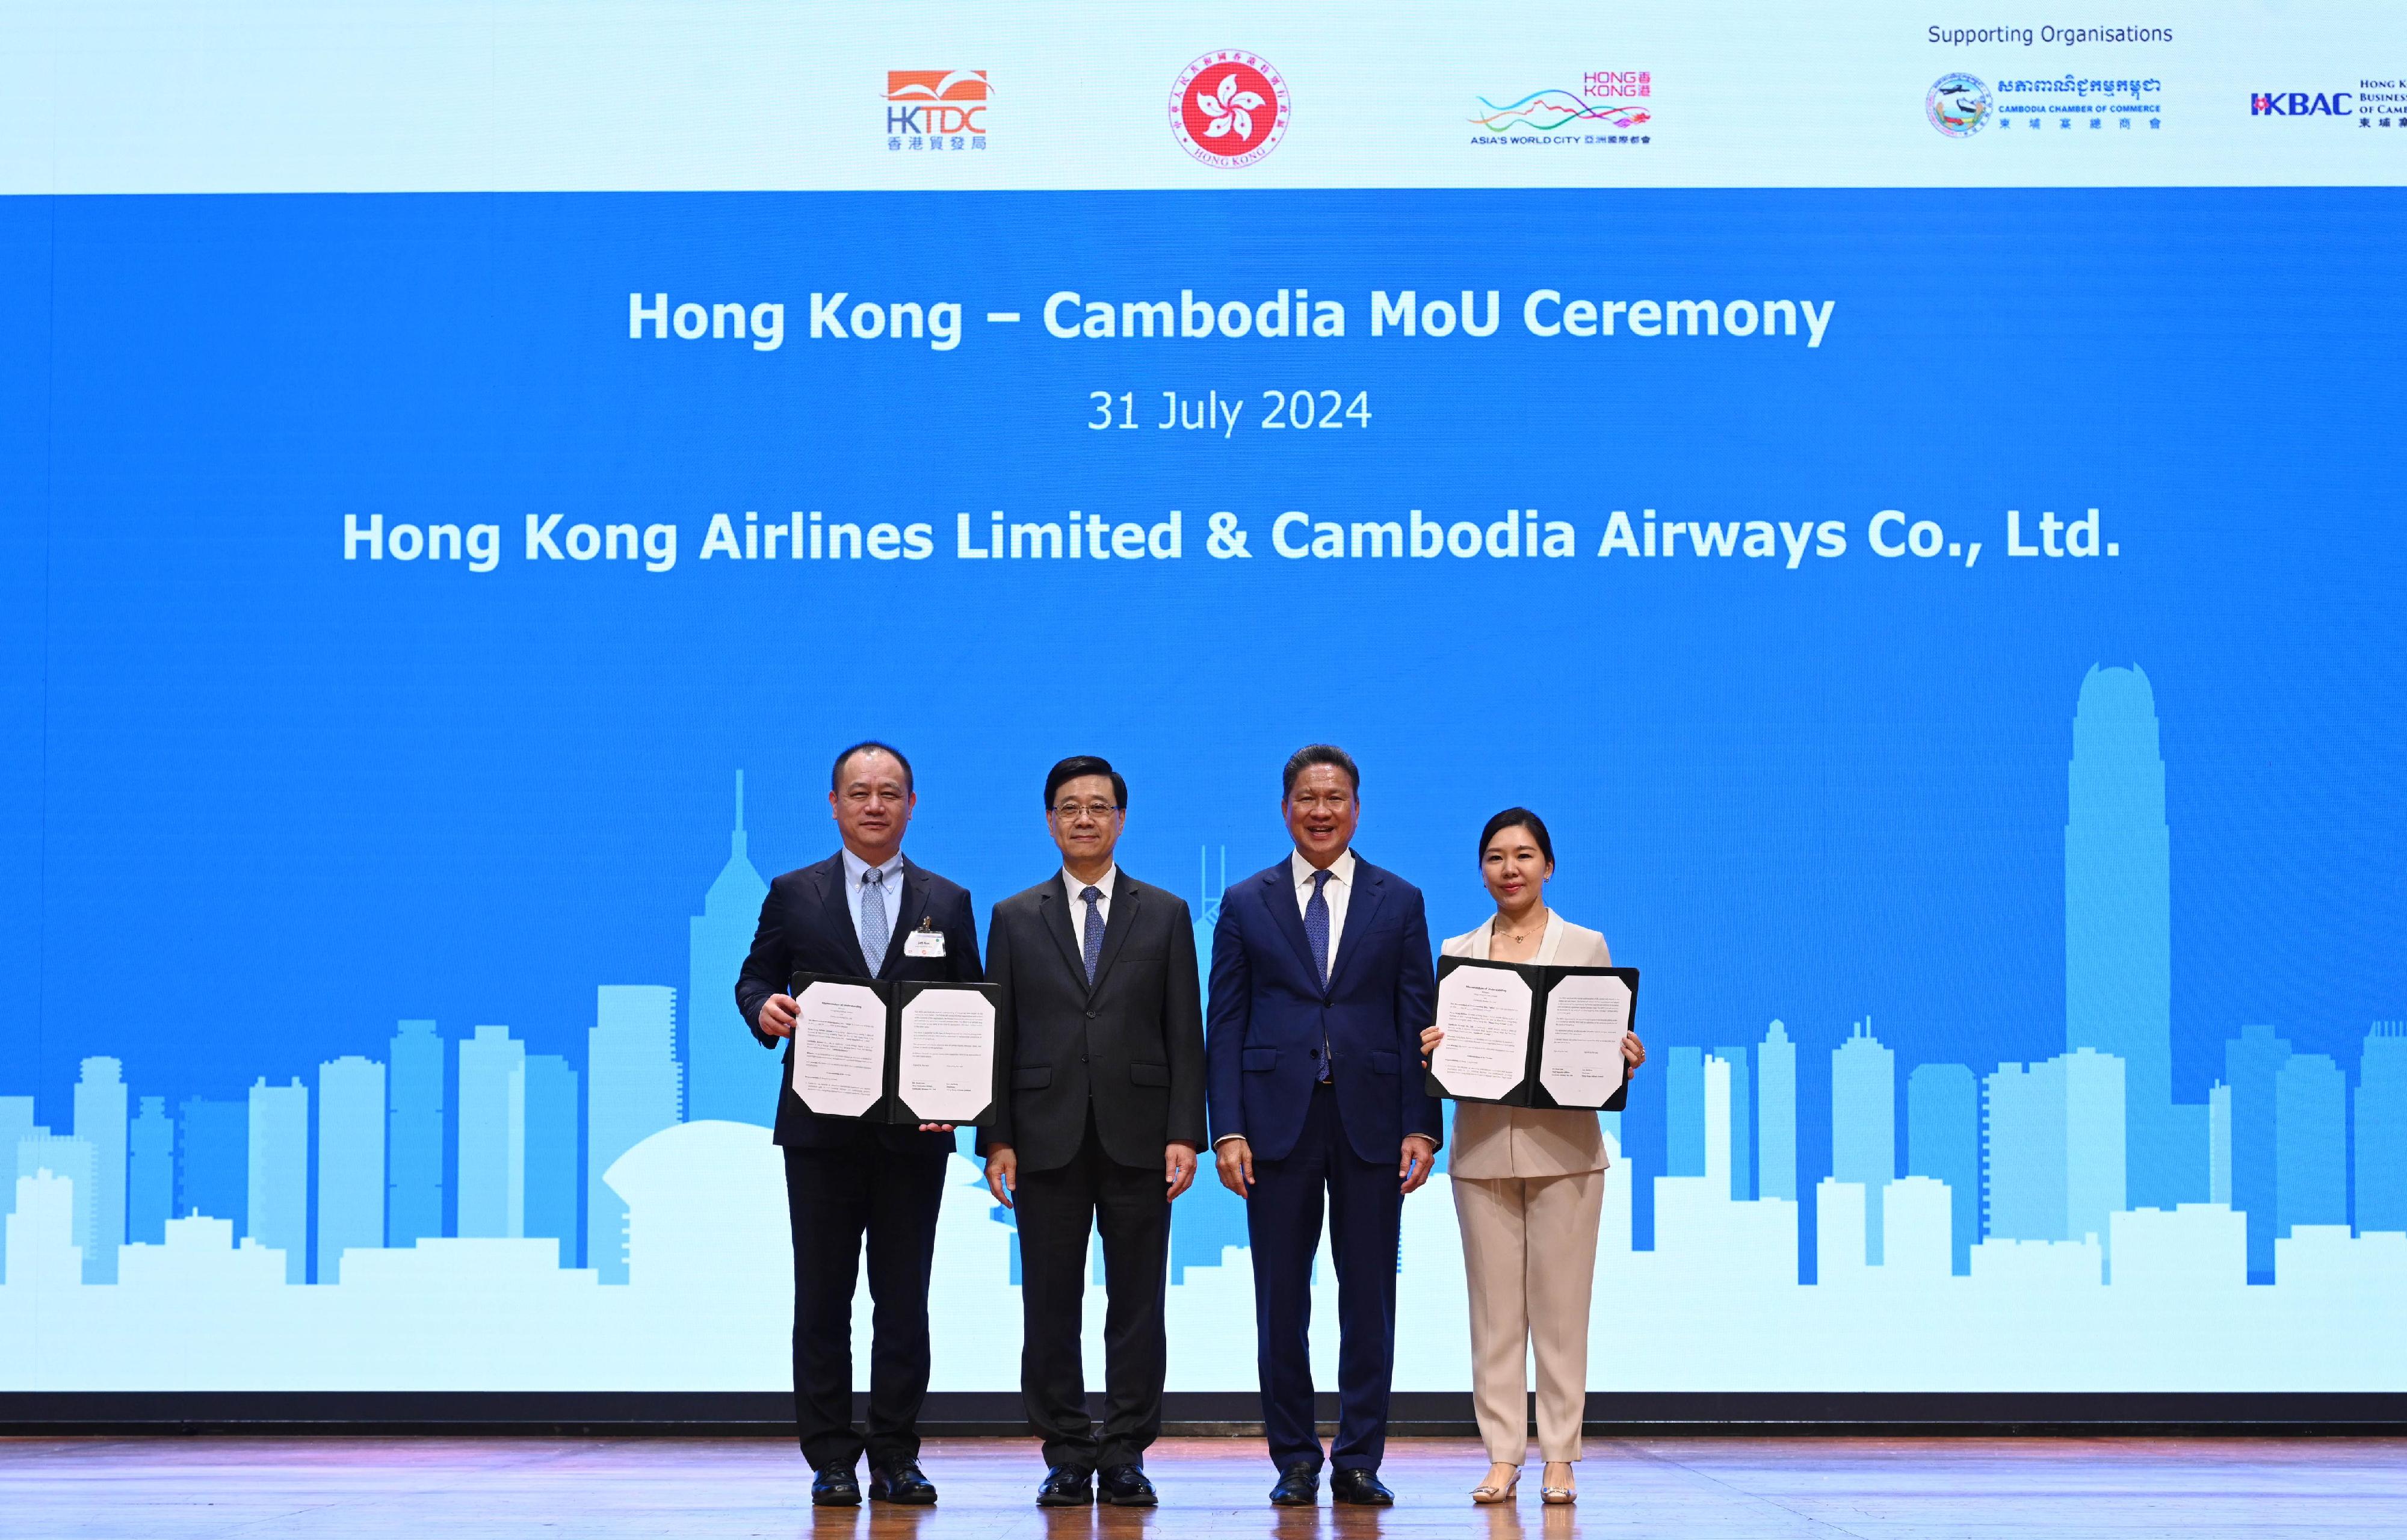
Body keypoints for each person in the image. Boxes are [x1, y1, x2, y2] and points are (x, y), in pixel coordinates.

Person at [734, 741, 982, 1509]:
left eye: (889, 793)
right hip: (820, 1132)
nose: (874, 805)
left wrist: (962, 1092)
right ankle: (831, 1459)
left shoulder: (950, 897)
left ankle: (897, 1456)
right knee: (824, 1297)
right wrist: (762, 1010)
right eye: (859, 792)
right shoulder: (792, 892)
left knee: (903, 1300)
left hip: (914, 1136)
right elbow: (753, 978)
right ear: (834, 804)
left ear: (912, 805)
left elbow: (972, 1007)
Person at [1205, 744, 1440, 1508]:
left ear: (1356, 809)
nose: (1320, 810)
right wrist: (1227, 1129)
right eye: (1307, 797)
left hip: (1372, 1121)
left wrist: (1422, 1125)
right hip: (1275, 1127)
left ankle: (1361, 1458)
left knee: (1368, 1298)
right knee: (1281, 1300)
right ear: (1286, 809)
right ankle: (1296, 1461)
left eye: (1335, 797)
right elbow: (1227, 1023)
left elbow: (1418, 1019)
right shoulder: (1246, 901)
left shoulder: (1398, 899)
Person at [978, 756, 1207, 1509]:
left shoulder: (1166, 913)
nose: (1084, 818)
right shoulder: (1013, 917)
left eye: (1099, 806)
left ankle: (1127, 1451)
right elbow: (997, 1034)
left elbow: (1185, 1032)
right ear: (1049, 821)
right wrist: (996, 1137)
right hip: (1043, 1136)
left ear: (1120, 819)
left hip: (1142, 1136)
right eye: (1069, 807)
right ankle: (1068, 1451)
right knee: (1049, 1301)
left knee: (1137, 1303)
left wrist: (1186, 1132)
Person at [1421, 808, 1645, 1507]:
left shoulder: (1586, 945)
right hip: (1483, 1150)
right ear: (1481, 870)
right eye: (1495, 857)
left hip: (1567, 1155)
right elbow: (1454, 1054)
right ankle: (1500, 1456)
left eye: (1523, 855)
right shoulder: (1458, 951)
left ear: (1549, 866)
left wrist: (1622, 1060)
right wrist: (1433, 1051)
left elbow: (1600, 1040)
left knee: (1559, 1312)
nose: (1509, 869)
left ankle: (1559, 1457)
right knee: (1493, 1315)